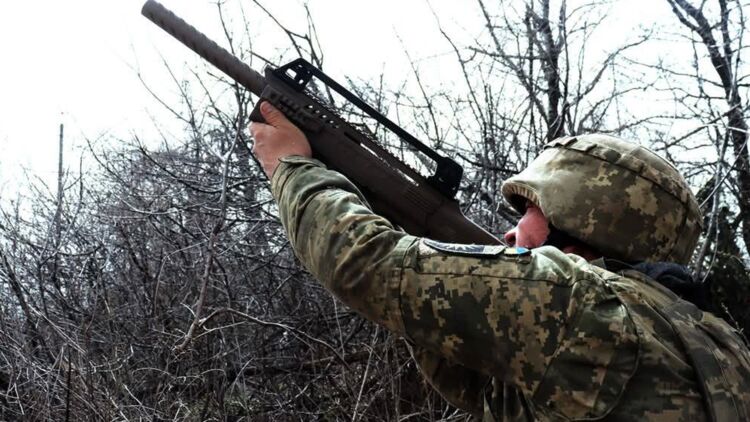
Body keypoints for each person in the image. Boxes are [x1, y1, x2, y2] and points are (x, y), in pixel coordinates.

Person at [250, 101, 750, 421]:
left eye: (531, 211)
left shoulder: (578, 301)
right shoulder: (711, 340)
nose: (512, 231)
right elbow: (477, 384)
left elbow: (359, 261)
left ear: (581, 223)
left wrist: (291, 166)